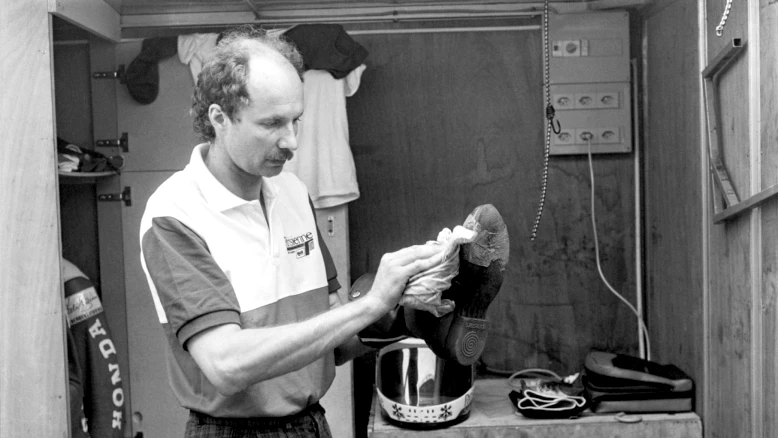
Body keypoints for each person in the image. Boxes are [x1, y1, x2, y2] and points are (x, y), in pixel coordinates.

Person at [138, 25, 443, 437]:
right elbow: (227, 366)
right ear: (219, 118)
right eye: (273, 123)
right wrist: (370, 303)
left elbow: (332, 343)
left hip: (311, 424)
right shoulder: (175, 214)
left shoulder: (294, 192)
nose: (292, 141)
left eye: (296, 120)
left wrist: (405, 310)